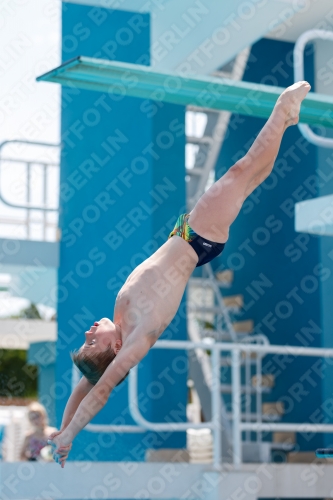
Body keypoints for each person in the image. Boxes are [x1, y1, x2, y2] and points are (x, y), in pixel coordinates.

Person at [49, 81, 310, 467]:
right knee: (242, 171)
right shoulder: (136, 337)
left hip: (186, 232)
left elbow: (84, 387)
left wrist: (62, 427)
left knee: (251, 176)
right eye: (91, 341)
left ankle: (286, 121)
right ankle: (282, 109)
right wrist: (72, 435)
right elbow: (101, 390)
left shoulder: (119, 326)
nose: (88, 331)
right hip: (198, 237)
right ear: (114, 351)